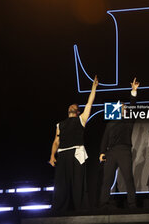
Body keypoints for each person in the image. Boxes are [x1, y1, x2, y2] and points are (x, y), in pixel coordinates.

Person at [49, 76, 98, 213]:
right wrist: (52, 155)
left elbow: (89, 104)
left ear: (77, 112)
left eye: (75, 106)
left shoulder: (81, 119)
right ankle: (58, 209)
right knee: (61, 184)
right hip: (63, 154)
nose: (72, 106)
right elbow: (56, 141)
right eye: (70, 105)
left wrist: (93, 88)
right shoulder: (60, 124)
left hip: (76, 153)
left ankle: (81, 209)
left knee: (78, 184)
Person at [99, 78, 140, 209]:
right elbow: (104, 138)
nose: (123, 108)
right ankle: (103, 203)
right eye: (120, 107)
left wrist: (133, 91)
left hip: (124, 151)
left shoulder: (129, 120)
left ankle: (132, 203)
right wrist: (101, 152)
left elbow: (133, 107)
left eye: (124, 107)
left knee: (128, 177)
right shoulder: (110, 122)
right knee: (107, 179)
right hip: (110, 152)